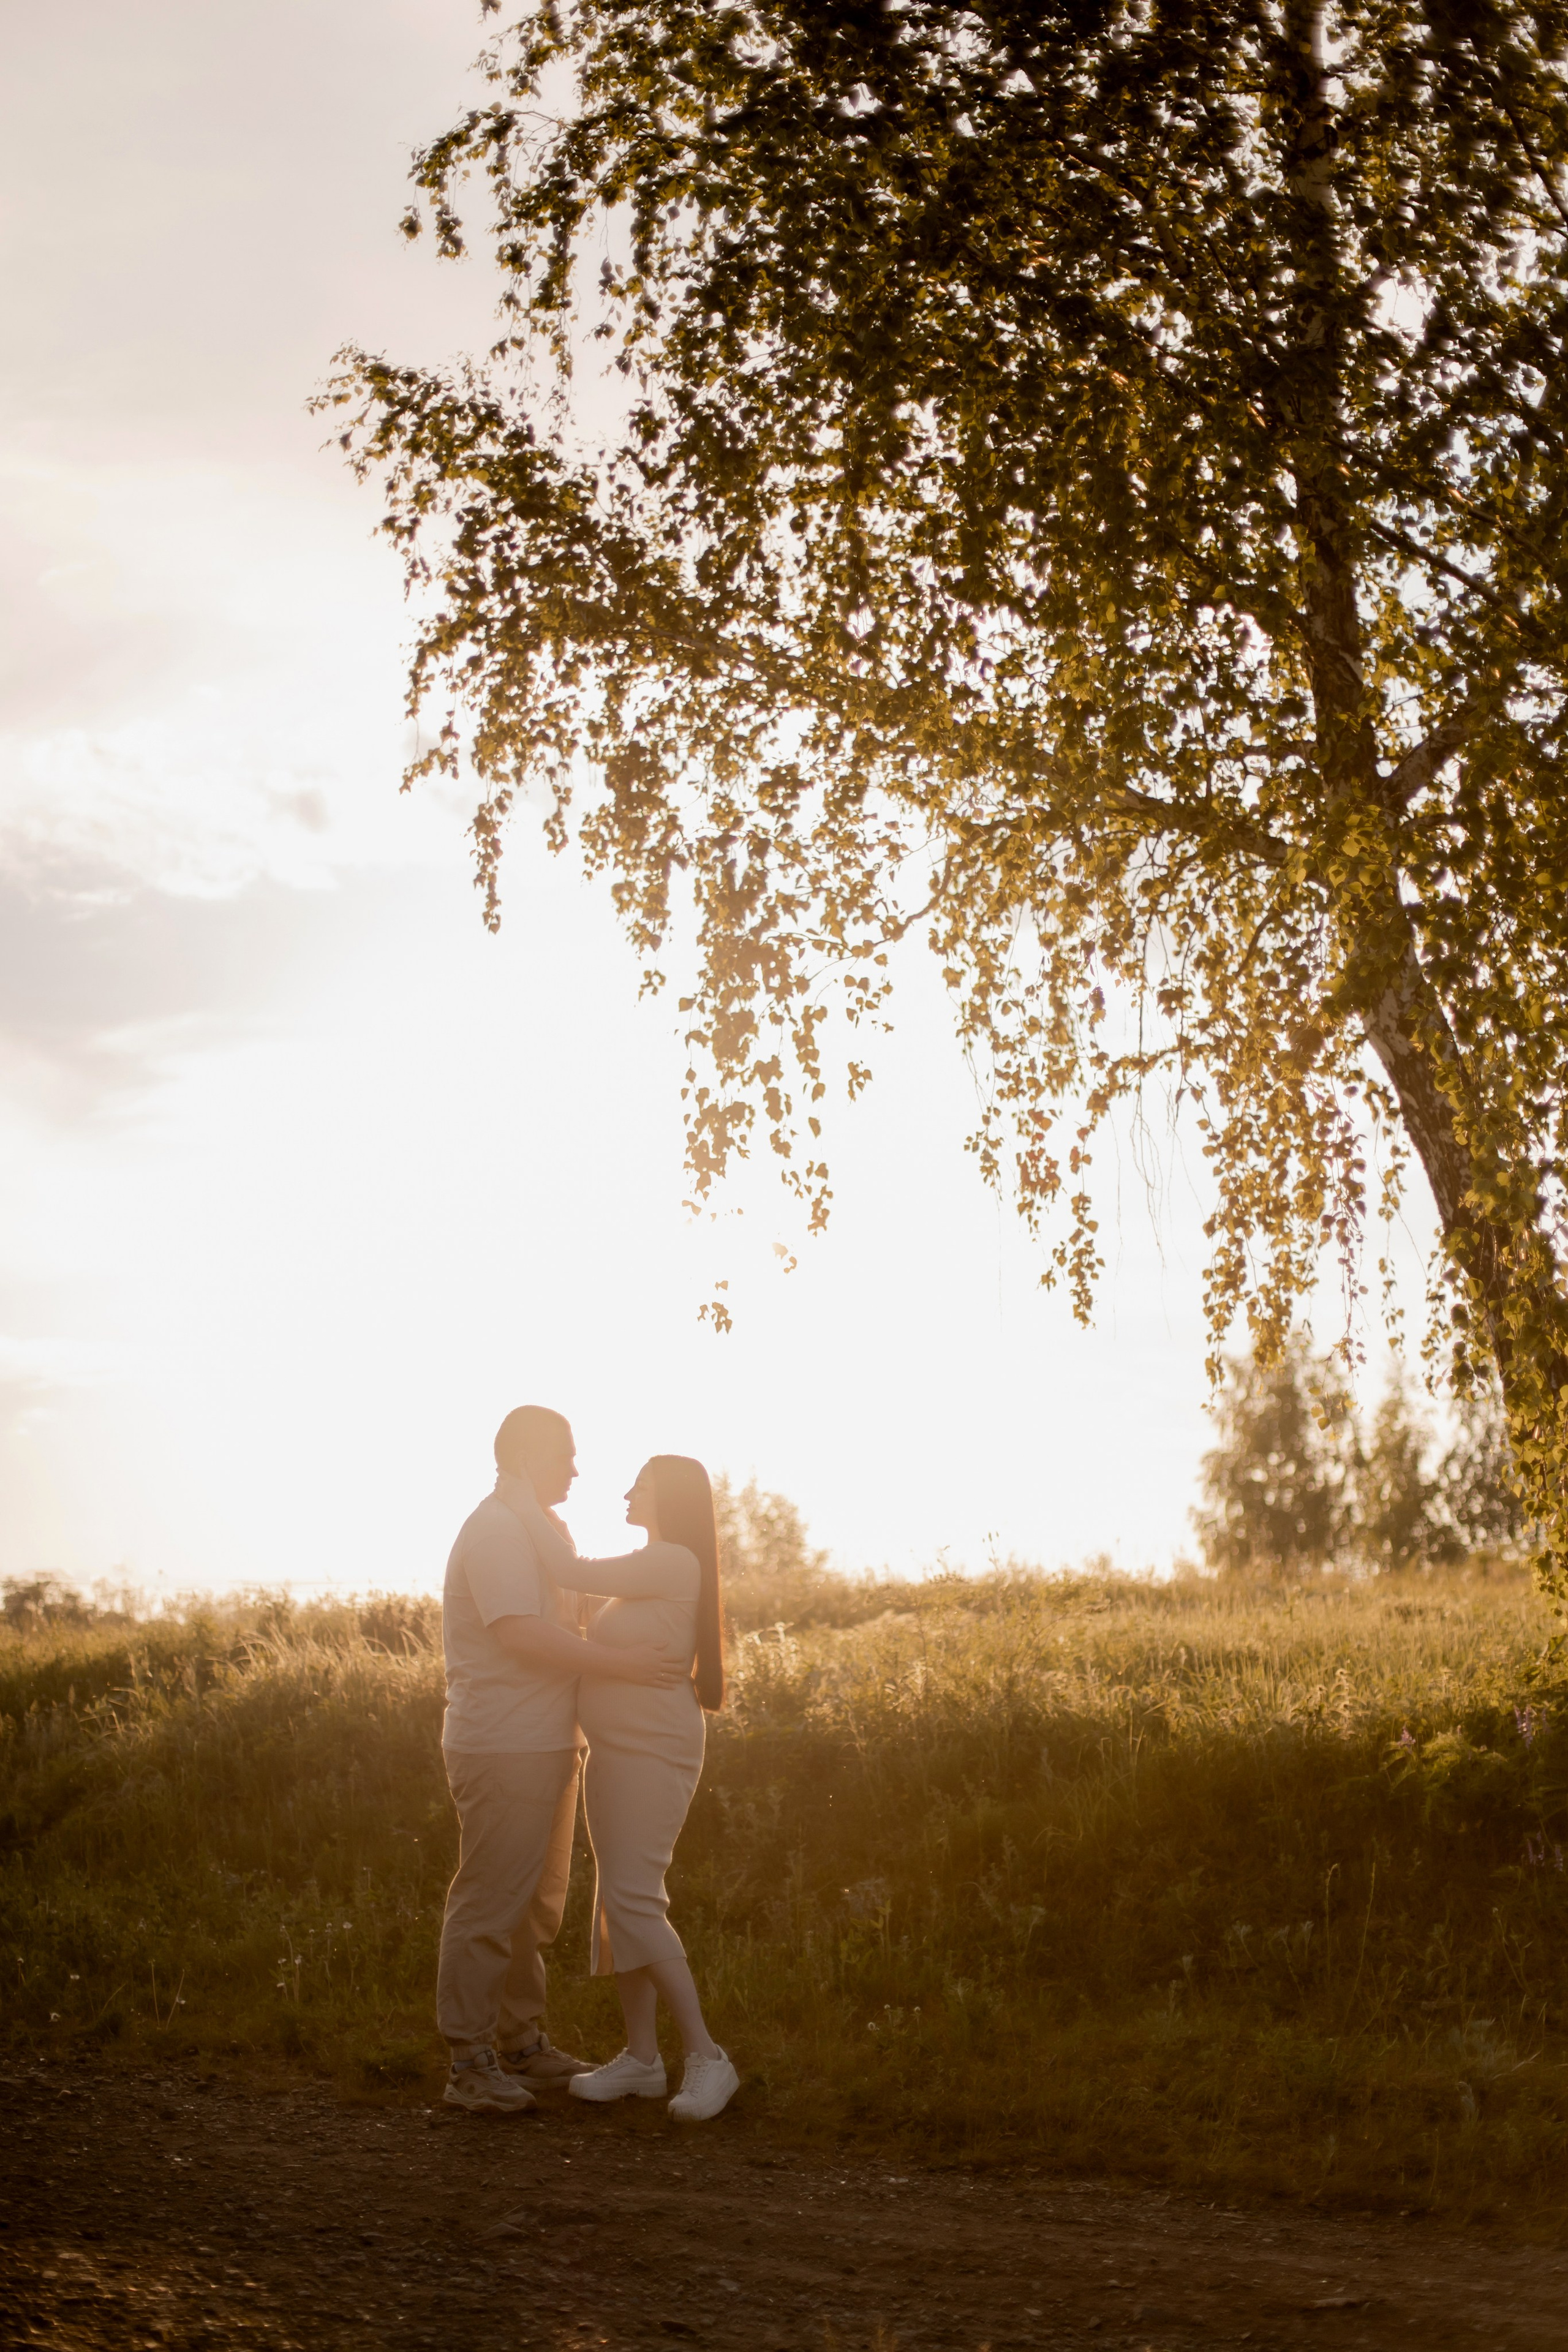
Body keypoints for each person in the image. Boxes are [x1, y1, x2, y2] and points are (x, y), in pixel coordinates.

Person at [437, 1404, 686, 2114]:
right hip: (503, 1742)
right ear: (522, 1458)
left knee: (533, 1909)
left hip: (548, 1741)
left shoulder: (545, 1530)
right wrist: (620, 1665)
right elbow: (520, 1634)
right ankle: (469, 2063)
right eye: (564, 1456)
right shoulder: (495, 1531)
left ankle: (519, 2044)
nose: (577, 1469)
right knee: (490, 1902)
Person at [508, 1453, 740, 2124]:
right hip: (616, 1752)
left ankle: (707, 2057)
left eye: (638, 1482)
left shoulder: (671, 1561)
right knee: (618, 1902)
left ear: (666, 1493)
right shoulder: (654, 1565)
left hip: (652, 1751)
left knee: (636, 1899)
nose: (626, 1492)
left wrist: (522, 1497)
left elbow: (568, 1570)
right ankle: (641, 2060)